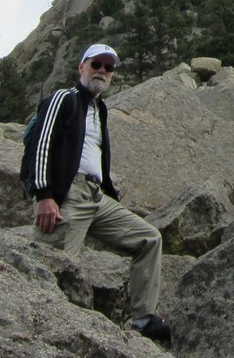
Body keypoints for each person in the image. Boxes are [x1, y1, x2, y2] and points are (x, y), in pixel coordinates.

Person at [26, 43, 171, 342]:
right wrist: (44, 195)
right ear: (81, 67)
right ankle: (37, 334)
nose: (102, 72)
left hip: (95, 196)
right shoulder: (63, 99)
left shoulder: (99, 109)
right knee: (54, 268)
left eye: (109, 68)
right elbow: (42, 144)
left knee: (149, 238)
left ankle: (143, 319)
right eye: (96, 65)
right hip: (69, 193)